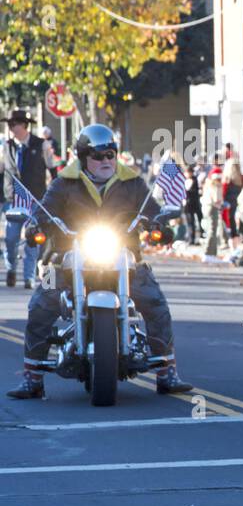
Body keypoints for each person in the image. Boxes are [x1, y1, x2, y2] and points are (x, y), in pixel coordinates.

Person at [6, 124, 192, 398]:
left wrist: (160, 227)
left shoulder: (132, 182)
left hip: (124, 257)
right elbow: (45, 211)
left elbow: (151, 210)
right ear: (83, 157)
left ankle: (167, 372)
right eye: (98, 154)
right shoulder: (64, 183)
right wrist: (36, 228)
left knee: (155, 302)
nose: (106, 160)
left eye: (110, 153)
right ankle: (32, 378)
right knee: (40, 304)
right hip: (67, 259)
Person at [3, 109, 55, 288]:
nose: (11, 127)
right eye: (9, 124)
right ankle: (11, 268)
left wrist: (56, 195)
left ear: (24, 125)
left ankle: (28, 277)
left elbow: (52, 169)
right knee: (11, 239)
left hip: (35, 198)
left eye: (14, 124)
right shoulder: (6, 146)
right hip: (13, 200)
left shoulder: (41, 145)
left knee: (33, 239)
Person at [183, 162, 204, 245]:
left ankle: (198, 238)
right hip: (186, 205)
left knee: (197, 222)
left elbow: (196, 192)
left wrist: (187, 192)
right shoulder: (184, 181)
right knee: (189, 223)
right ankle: (191, 238)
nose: (188, 174)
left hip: (194, 204)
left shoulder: (195, 180)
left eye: (189, 172)